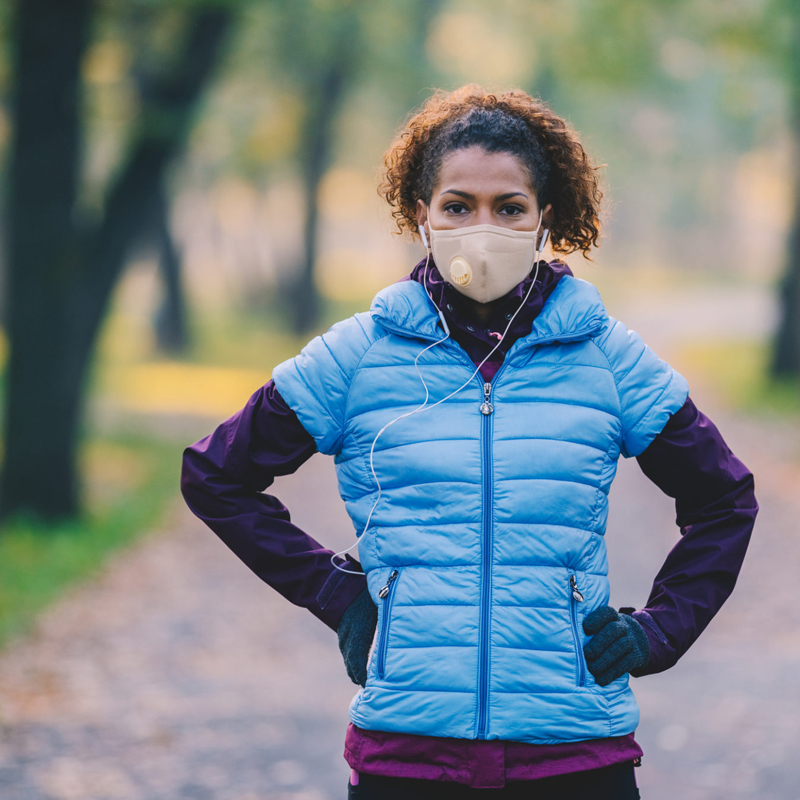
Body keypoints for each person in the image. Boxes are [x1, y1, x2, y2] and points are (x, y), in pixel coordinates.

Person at [181, 86, 757, 799]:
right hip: (408, 757)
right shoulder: (357, 356)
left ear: (544, 218)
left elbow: (725, 498)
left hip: (576, 756)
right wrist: (337, 591)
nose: (482, 226)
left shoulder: (609, 357)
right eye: (458, 205)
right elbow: (215, 475)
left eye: (508, 207)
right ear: (420, 215)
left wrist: (658, 631)